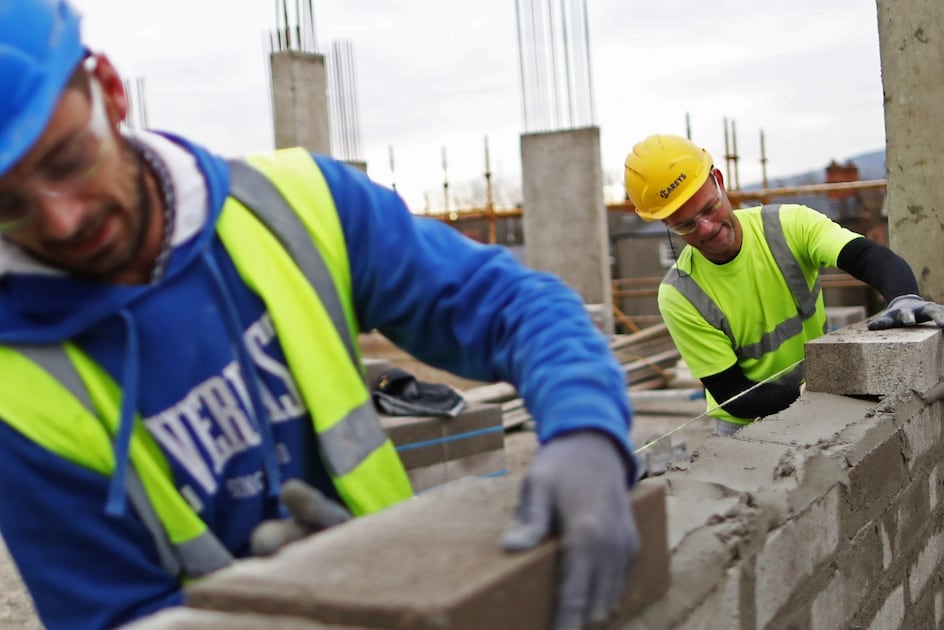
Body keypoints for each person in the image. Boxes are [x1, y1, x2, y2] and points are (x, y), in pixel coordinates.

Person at [0, 2, 636, 629]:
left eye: (68, 161)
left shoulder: (294, 205)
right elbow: (113, 615)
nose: (61, 218)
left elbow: (508, 304)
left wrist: (585, 424)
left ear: (110, 92)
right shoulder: (18, 392)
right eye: (9, 203)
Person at [624, 134, 944, 436]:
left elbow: (864, 256)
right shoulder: (680, 294)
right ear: (666, 222)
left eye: (709, 208)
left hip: (818, 397)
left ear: (719, 180)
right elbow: (732, 394)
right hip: (745, 427)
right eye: (686, 225)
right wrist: (811, 393)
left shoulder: (787, 226)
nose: (708, 227)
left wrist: (904, 296)